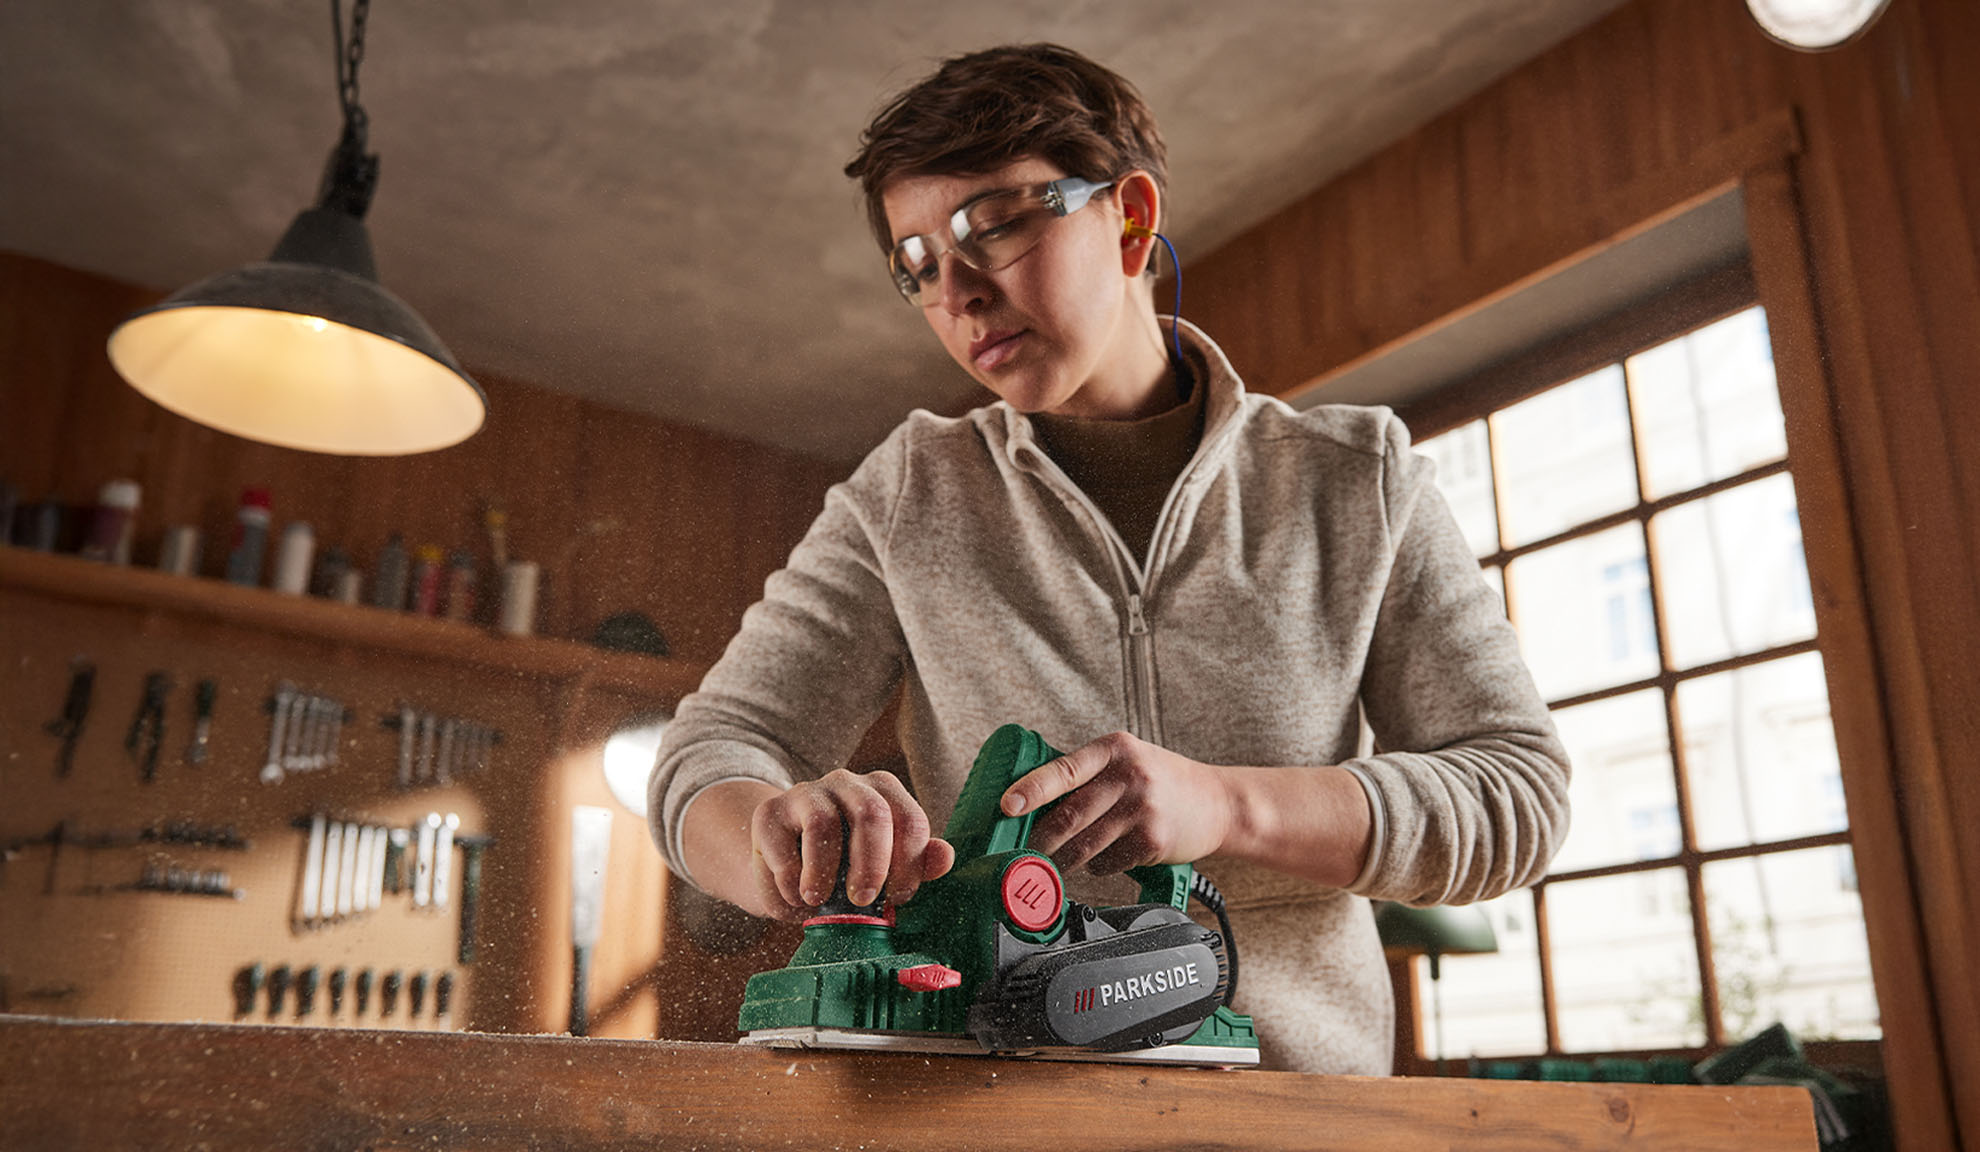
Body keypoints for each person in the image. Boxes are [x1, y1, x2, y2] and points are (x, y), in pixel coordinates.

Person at [647, 42, 1569, 1074]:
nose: (955, 292)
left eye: (989, 228)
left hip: (1299, 1118)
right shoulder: (909, 493)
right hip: (997, 1113)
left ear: (1129, 217)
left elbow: (1517, 795)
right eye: (915, 266)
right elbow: (706, 759)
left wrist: (1226, 806)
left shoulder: (1359, 482)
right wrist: (779, 832)